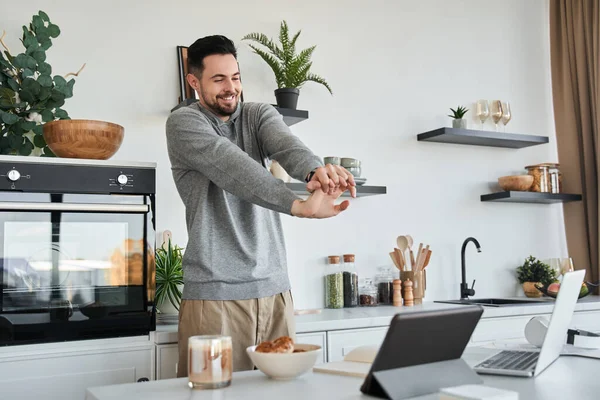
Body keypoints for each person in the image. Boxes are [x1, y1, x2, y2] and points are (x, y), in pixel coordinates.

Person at [165, 35, 356, 374]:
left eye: (236, 77)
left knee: (281, 392)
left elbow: (287, 145)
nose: (231, 88)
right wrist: (297, 205)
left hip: (275, 292)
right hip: (214, 296)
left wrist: (316, 173)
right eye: (219, 79)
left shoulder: (257, 115)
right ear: (194, 82)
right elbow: (234, 167)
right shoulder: (184, 123)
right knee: (213, 396)